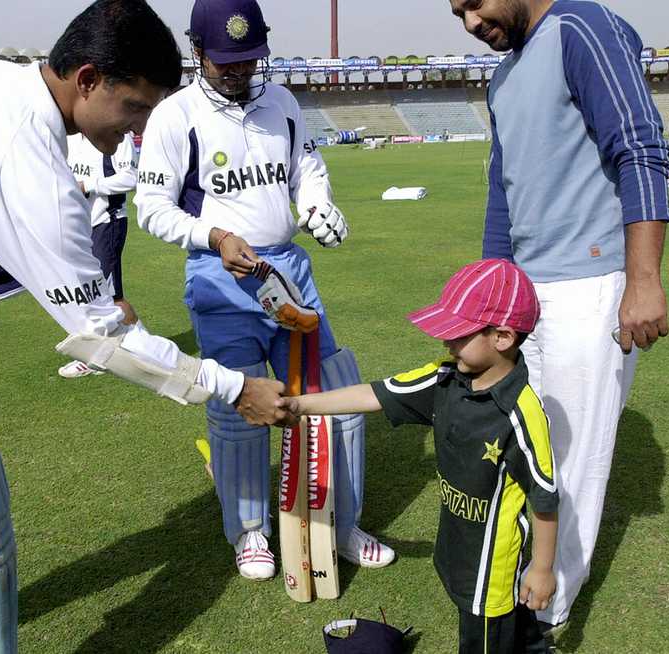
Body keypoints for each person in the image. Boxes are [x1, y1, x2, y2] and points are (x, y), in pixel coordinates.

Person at [0, 2, 286, 653]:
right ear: (88, 78)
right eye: (134, 109)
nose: (136, 131)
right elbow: (106, 342)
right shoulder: (36, 173)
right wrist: (235, 389)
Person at [134, 0, 394, 581]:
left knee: (334, 394)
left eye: (249, 60)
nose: (239, 72)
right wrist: (216, 234)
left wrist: (319, 205)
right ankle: (251, 531)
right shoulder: (175, 116)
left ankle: (340, 522)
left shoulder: (282, 102)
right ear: (197, 53)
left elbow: (307, 168)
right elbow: (151, 207)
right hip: (219, 276)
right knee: (239, 408)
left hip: (289, 272)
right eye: (226, 62)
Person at [447, 0, 669, 637]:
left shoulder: (582, 28)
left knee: (571, 463)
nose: (469, 22)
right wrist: (493, 292)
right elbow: (503, 186)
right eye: (456, 11)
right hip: (525, 295)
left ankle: (542, 620)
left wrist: (644, 281)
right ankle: (516, 586)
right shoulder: (502, 75)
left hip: (590, 288)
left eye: (475, 3)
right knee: (522, 450)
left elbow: (640, 148)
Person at [284, 259, 558, 654]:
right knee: (504, 628)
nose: (446, 343)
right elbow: (373, 394)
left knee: (483, 636)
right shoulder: (443, 378)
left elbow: (545, 496)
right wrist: (298, 405)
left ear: (502, 337)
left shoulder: (523, 414)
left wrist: (543, 568)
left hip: (490, 568)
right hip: (455, 546)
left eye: (458, 334)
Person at [58, 131, 140, 378]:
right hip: (79, 224)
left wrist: (88, 185)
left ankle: (144, 350)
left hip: (108, 222)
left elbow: (131, 178)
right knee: (87, 291)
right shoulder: (69, 136)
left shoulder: (117, 134)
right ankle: (102, 354)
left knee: (110, 295)